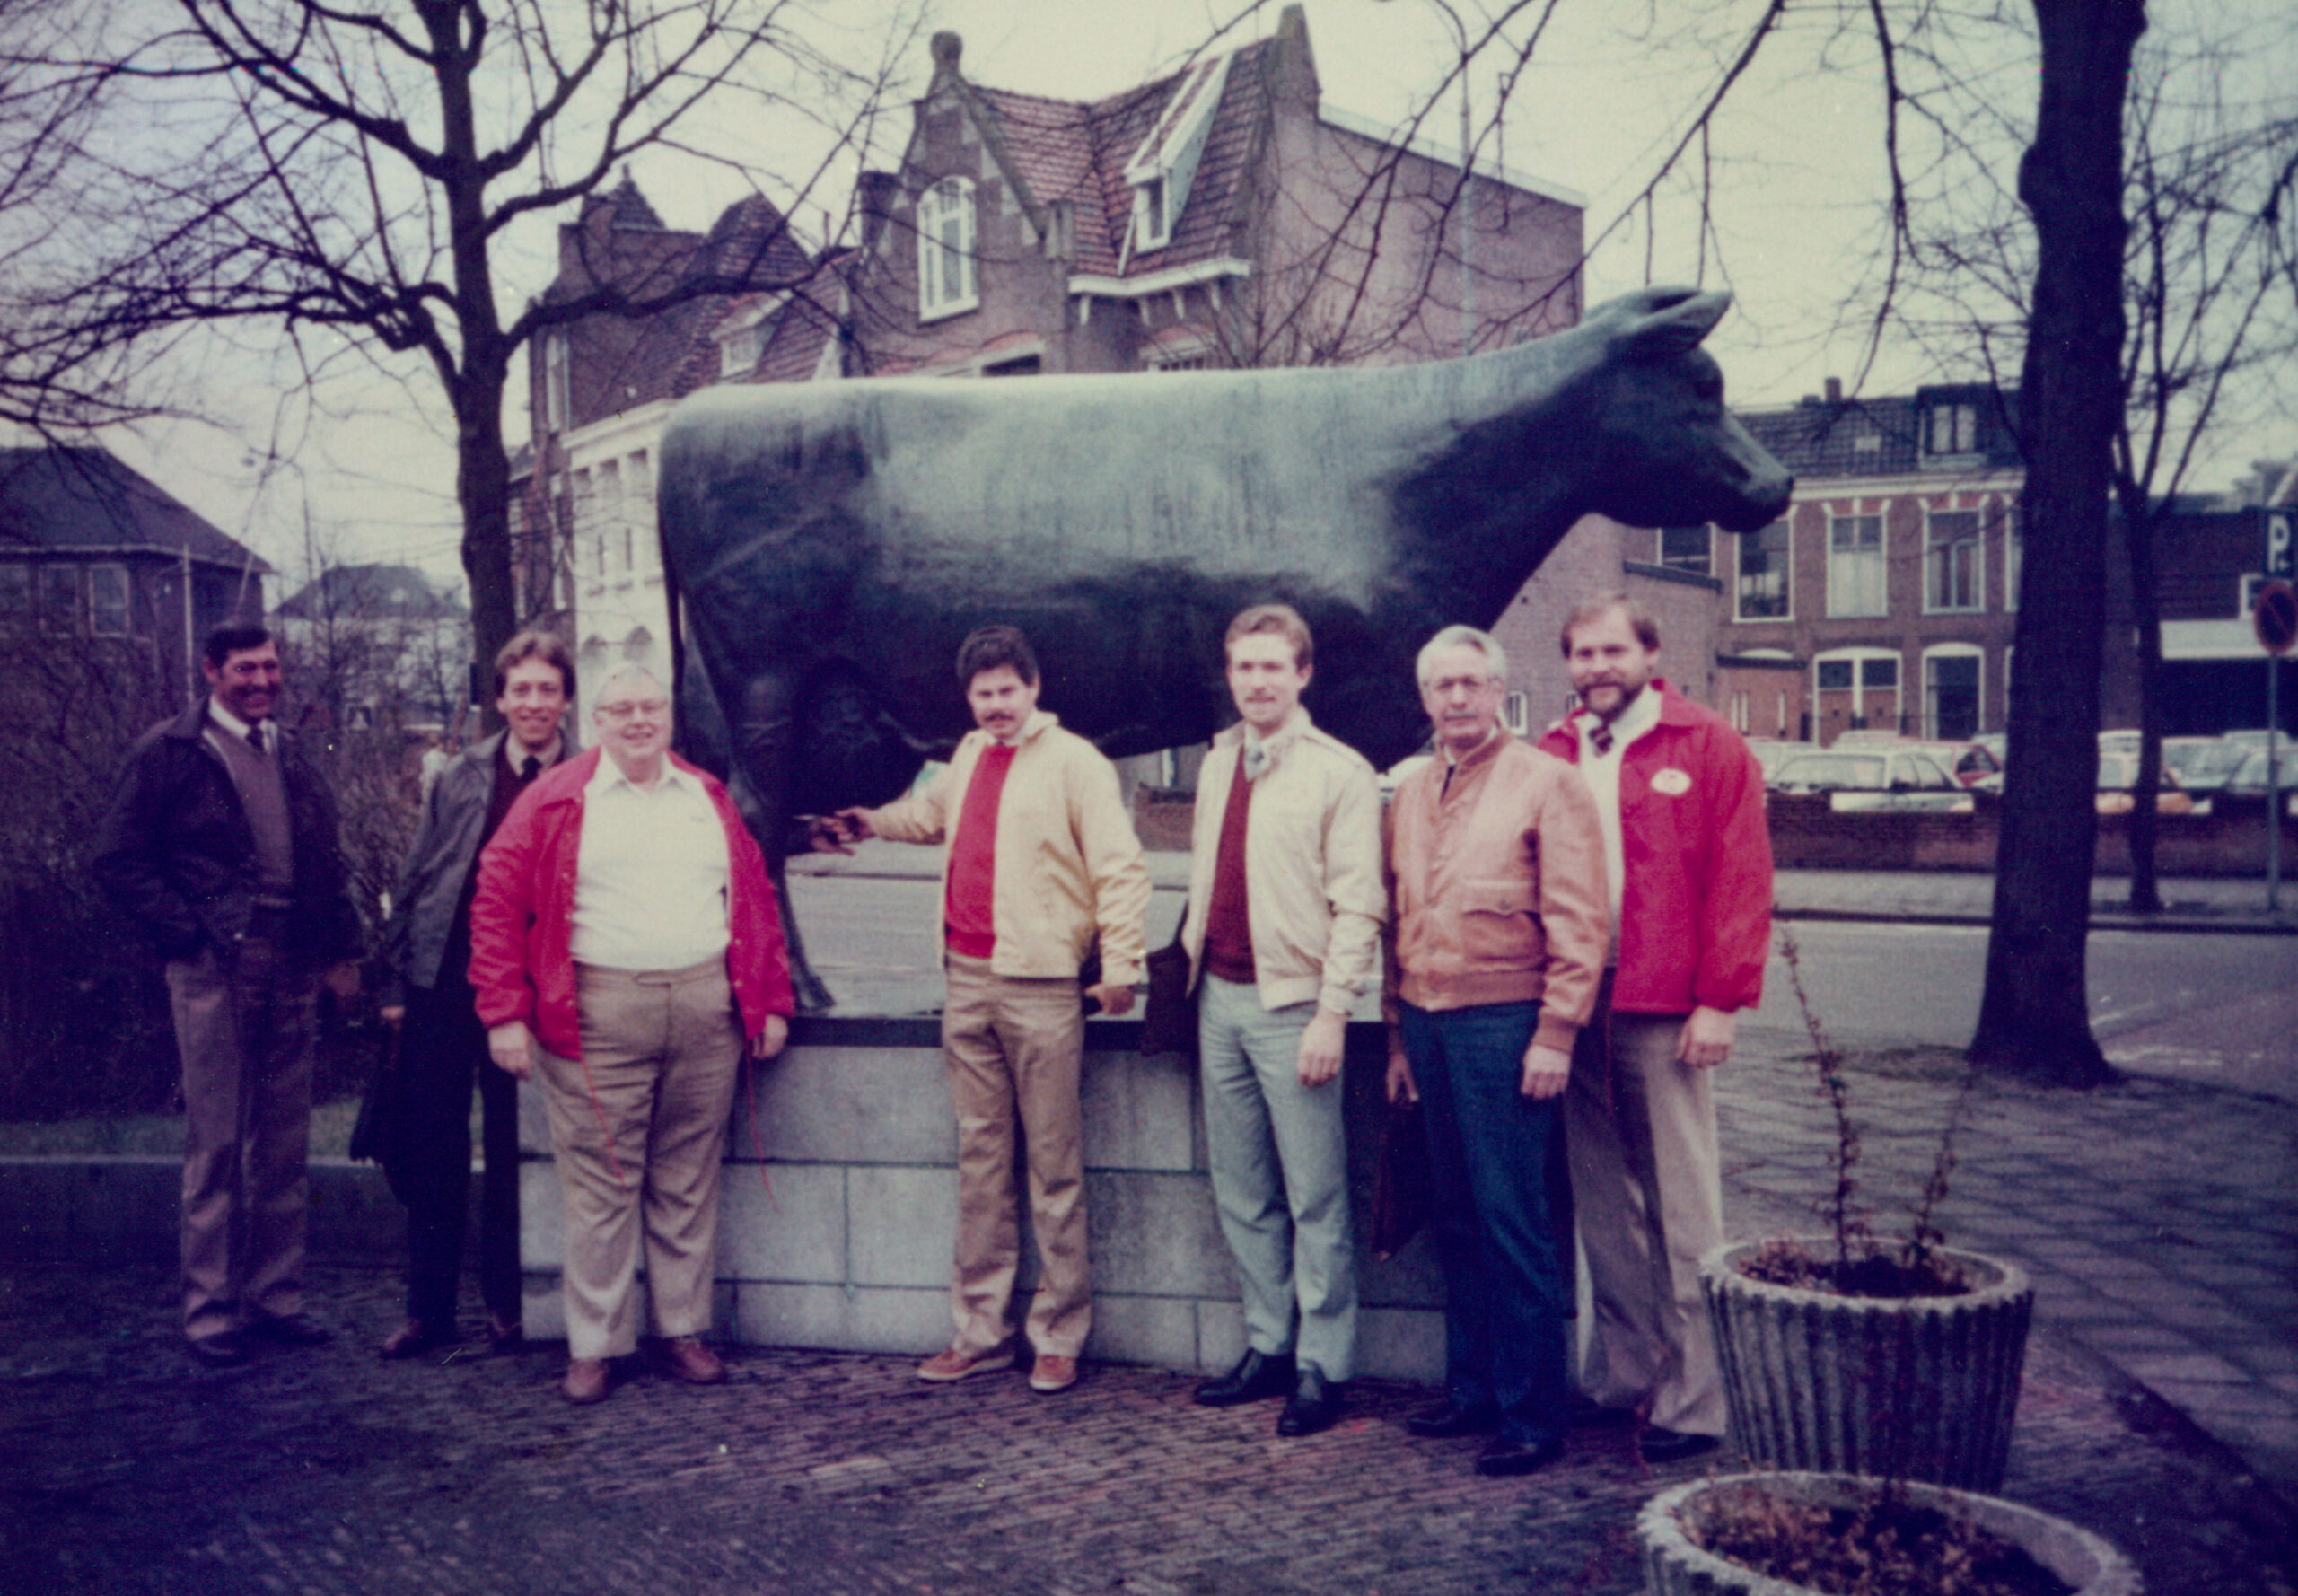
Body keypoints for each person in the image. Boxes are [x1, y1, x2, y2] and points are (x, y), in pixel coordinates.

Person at [821, 625, 1149, 1397]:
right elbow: (930, 815)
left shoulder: (1077, 764)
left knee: (1054, 1169)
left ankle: (1058, 1336)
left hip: (1042, 987)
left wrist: (1123, 966)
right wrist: (871, 820)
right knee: (981, 1166)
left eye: (1007, 690)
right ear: (968, 699)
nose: (996, 704)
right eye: (983, 693)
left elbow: (1121, 869)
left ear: (1034, 688)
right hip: (965, 982)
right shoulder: (967, 755)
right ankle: (981, 1332)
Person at [468, 666, 794, 1406]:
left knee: (686, 1178)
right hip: (597, 1011)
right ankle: (596, 1346)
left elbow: (754, 898)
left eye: (651, 707)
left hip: (705, 1008)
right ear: (597, 720)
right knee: (601, 1184)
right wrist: (504, 1013)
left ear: (669, 717)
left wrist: (771, 1001)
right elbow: (495, 903)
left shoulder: (705, 795)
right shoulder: (556, 797)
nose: (639, 720)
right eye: (622, 709)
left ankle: (681, 1330)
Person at [1537, 594, 1772, 1465]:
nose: (1597, 666)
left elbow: (1741, 876)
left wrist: (1720, 999)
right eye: (1582, 653)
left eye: (1612, 651)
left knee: (1682, 1207)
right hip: (1575, 1001)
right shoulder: (1555, 750)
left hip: (1665, 1004)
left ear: (1650, 655)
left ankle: (1696, 1398)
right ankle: (1627, 1375)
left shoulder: (1707, 744)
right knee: (1604, 1205)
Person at [94, 623, 363, 1365]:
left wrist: (341, 953)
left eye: (270, 667)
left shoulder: (291, 750)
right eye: (245, 668)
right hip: (215, 968)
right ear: (211, 671)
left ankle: (276, 1299)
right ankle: (209, 1311)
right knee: (214, 1143)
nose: (261, 681)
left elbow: (325, 860)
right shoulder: (171, 752)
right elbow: (116, 858)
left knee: (283, 1143)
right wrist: (189, 935)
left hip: (292, 962)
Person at [1383, 624, 1608, 1477]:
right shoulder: (1409, 791)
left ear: (1497, 690)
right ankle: (1473, 1390)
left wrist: (1556, 1032)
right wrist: (1398, 1037)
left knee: (1513, 1219)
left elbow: (1581, 922)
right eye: (1442, 686)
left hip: (1505, 1028)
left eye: (1471, 683)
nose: (1457, 698)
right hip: (1429, 1023)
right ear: (1424, 698)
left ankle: (1531, 1415)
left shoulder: (1547, 784)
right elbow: (1398, 921)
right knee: (1456, 1213)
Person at [1180, 605, 1383, 1437]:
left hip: (1293, 1007)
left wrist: (1331, 1014)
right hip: (1218, 1001)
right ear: (1229, 675)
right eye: (1245, 667)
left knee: (1315, 1196)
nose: (1257, 682)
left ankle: (1322, 1365)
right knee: (1243, 1191)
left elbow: (1359, 904)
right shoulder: (1215, 762)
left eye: (1273, 667)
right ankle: (1268, 1344)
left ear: (1303, 674)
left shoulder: (1341, 772)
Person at [373, 631, 575, 1360]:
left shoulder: (588, 777)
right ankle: (428, 1310)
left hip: (531, 989)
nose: (533, 703)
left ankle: (508, 1302)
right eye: (520, 690)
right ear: (499, 699)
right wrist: (395, 981)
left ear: (566, 700)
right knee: (436, 1146)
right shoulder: (461, 775)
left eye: (547, 690)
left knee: (514, 1146)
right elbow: (419, 875)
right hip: (446, 982)